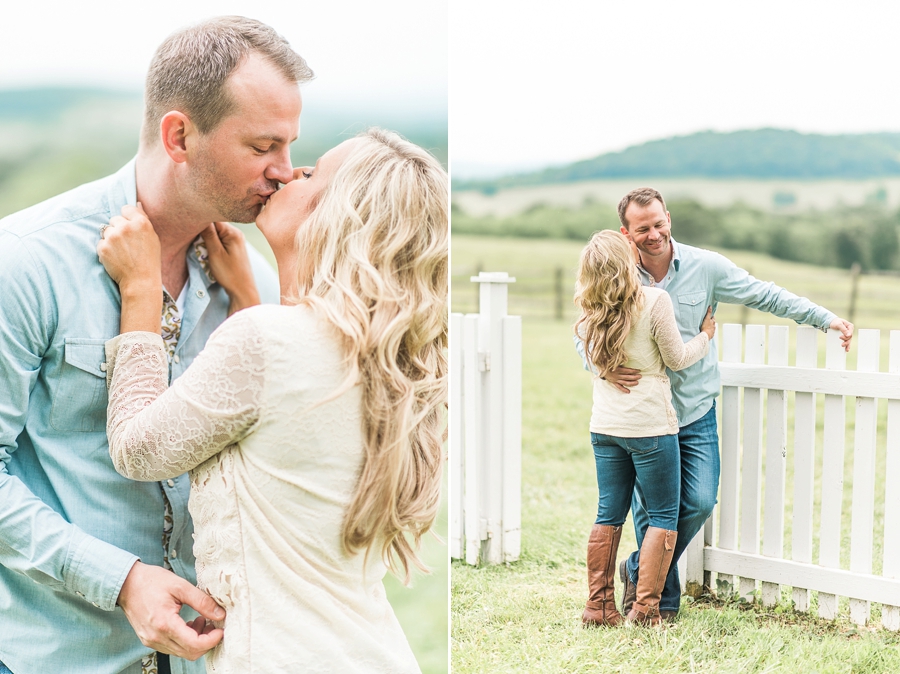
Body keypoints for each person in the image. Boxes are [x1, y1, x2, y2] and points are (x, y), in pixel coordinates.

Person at [0, 17, 311, 674]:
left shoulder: (249, 283)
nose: (285, 173)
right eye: (263, 147)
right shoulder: (24, 264)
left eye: (291, 146)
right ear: (179, 136)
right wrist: (120, 579)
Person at [97, 128, 448, 673]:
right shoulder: (396, 361)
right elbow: (283, 410)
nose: (288, 172)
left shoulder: (266, 341)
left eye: (312, 175)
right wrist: (246, 297)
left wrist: (141, 290)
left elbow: (137, 450)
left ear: (340, 217)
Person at [578, 187, 854, 621]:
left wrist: (825, 318)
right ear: (626, 233)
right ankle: (659, 606)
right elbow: (585, 331)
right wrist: (600, 366)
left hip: (691, 412)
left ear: (668, 217)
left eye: (659, 223)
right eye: (643, 228)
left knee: (700, 501)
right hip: (642, 420)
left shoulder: (705, 267)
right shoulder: (616, 276)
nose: (654, 234)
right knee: (653, 512)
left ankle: (636, 569)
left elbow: (764, 293)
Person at [575, 230, 716, 627]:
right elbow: (676, 358)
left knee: (609, 514)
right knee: (663, 516)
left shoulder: (588, 310)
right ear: (628, 261)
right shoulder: (653, 300)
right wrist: (705, 336)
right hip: (650, 427)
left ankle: (598, 608)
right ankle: (645, 610)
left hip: (604, 427)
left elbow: (588, 354)